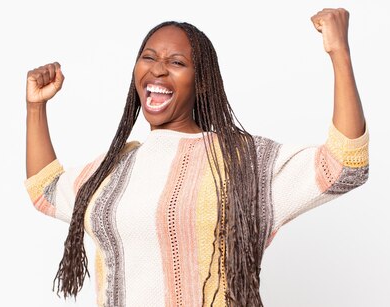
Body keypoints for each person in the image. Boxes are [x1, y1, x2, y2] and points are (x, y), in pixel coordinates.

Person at [24, 8, 368, 307]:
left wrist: (340, 53)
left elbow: (344, 166)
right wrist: (35, 107)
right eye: (148, 57)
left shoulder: (240, 163)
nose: (157, 70)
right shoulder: (113, 168)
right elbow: (46, 190)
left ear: (201, 82)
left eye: (176, 62)